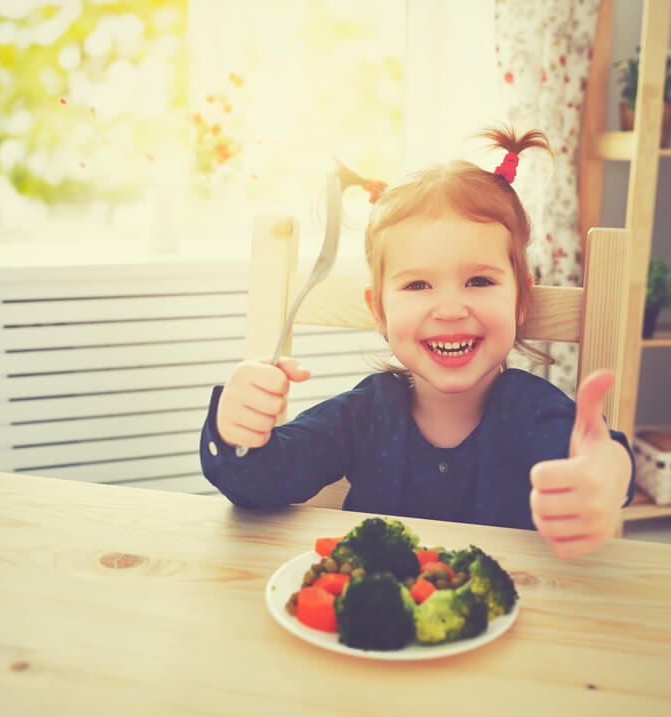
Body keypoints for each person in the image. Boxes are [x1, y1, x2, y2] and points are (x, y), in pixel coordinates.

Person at [200, 126, 634, 559]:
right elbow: (257, 482)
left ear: (521, 299)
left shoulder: (531, 411)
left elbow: (594, 461)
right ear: (379, 311)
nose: (449, 309)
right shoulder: (364, 414)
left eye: (479, 280)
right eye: (418, 285)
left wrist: (605, 471)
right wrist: (236, 431)